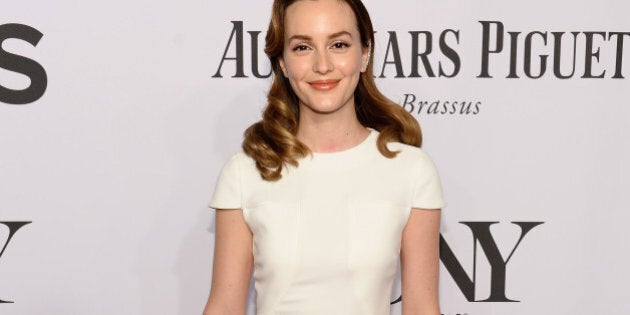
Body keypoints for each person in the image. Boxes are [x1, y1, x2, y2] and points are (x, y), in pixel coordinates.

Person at [203, 0, 444, 314]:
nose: (322, 65)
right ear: (284, 63)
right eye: (303, 47)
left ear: (365, 54)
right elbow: (223, 306)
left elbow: (422, 308)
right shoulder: (246, 171)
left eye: (339, 44)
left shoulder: (411, 170)